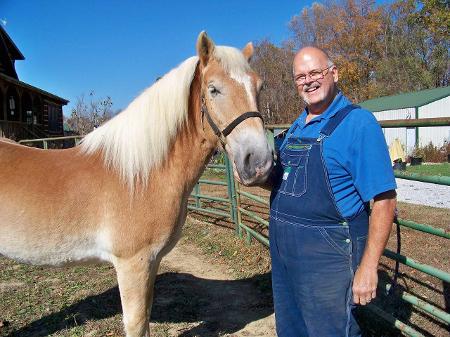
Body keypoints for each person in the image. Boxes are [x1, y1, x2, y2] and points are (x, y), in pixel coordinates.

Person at [266, 47, 397, 337]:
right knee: (291, 329)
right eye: (300, 76)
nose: (308, 81)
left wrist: (368, 267)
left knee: (331, 331)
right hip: (285, 256)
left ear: (334, 74)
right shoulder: (297, 126)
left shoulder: (358, 124)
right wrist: (254, 177)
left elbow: (385, 202)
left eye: (315, 73)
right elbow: (284, 183)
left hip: (327, 258)